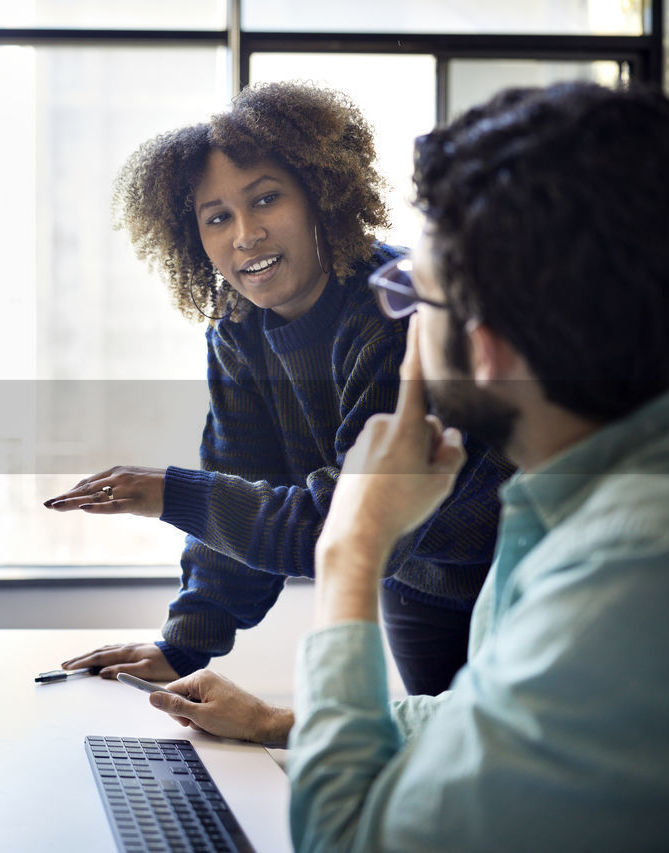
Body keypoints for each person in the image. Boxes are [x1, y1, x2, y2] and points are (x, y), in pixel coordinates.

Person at [146, 81, 669, 848]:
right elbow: (483, 715)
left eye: (417, 295)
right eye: (218, 215)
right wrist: (261, 708)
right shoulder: (576, 516)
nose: (405, 312)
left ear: (483, 345)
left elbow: (351, 836)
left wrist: (354, 549)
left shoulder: (620, 568)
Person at [45, 81, 513, 695]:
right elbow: (240, 484)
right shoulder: (238, 333)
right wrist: (182, 645)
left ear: (322, 198)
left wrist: (170, 494)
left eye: (265, 200)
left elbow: (348, 523)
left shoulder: (395, 311)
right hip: (421, 582)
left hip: (515, 565)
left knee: (507, 766)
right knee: (444, 765)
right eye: (217, 218)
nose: (245, 234)